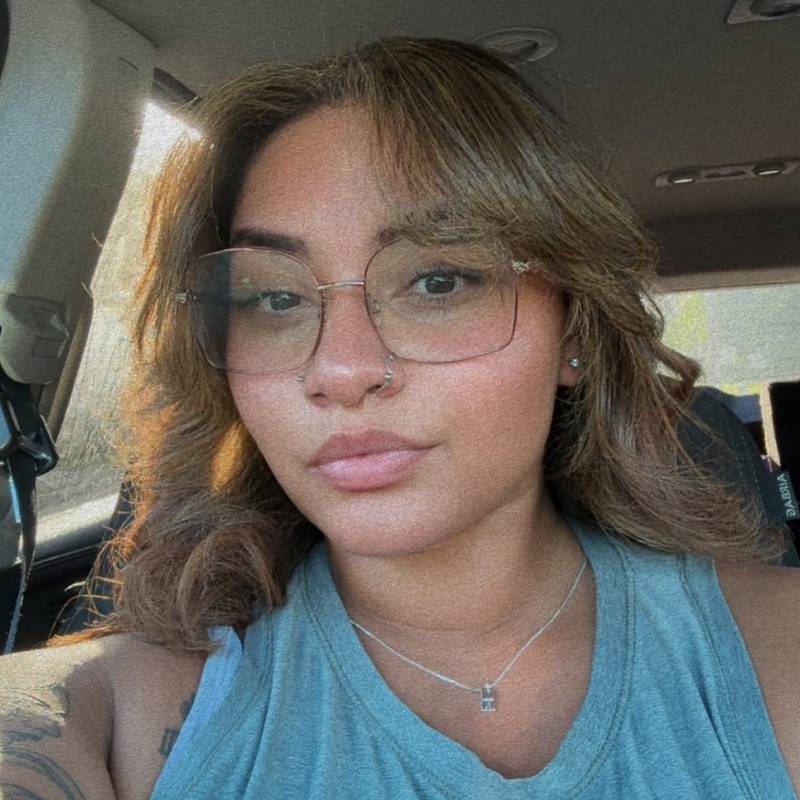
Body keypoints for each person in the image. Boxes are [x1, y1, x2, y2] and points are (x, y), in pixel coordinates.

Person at [2, 36, 799, 800]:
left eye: (438, 281)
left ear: (574, 333)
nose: (341, 371)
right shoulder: (126, 711)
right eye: (273, 298)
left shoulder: (779, 649)